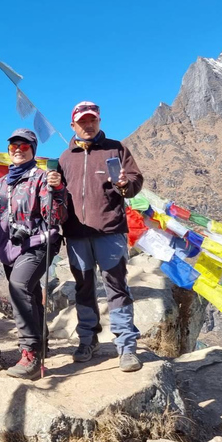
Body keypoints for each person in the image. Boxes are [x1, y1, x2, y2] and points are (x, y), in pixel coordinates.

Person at [0, 129, 67, 379]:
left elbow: (56, 216)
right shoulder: (1, 183)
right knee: (29, 292)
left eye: (23, 146)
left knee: (18, 287)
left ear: (33, 149)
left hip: (38, 245)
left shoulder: (42, 177)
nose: (17, 150)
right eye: (12, 147)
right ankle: (41, 343)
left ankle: (29, 353)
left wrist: (58, 191)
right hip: (9, 249)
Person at [57, 101, 144, 372]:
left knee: (116, 287)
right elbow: (58, 195)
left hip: (110, 231)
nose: (88, 124)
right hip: (76, 234)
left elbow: (135, 182)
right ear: (73, 125)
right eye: (82, 121)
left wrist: (125, 184)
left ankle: (126, 347)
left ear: (99, 121)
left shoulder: (116, 148)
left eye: (92, 120)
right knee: (83, 287)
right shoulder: (64, 158)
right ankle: (87, 339)